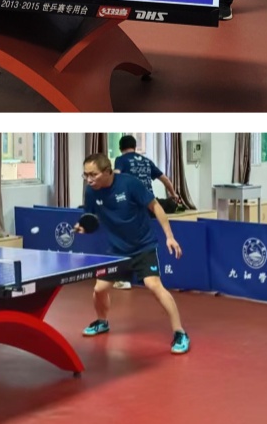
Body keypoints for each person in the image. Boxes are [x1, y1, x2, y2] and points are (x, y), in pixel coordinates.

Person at [75, 152, 190, 355]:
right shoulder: (91, 192)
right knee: (99, 289)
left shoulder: (130, 184)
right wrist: (83, 227)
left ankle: (180, 332)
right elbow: (91, 218)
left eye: (93, 174)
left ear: (107, 171)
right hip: (116, 250)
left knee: (153, 285)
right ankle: (102, 322)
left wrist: (169, 236)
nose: (89, 179)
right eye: (86, 175)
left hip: (142, 246)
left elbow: (156, 207)